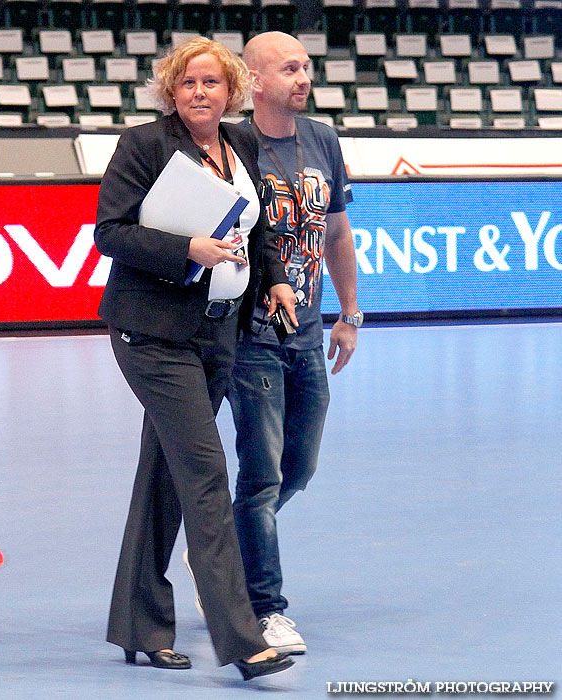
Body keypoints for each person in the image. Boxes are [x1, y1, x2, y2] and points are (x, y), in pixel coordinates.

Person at [95, 37, 295, 681]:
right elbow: (111, 232)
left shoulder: (244, 145)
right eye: (187, 84)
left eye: (211, 82)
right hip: (151, 335)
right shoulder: (145, 146)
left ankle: (139, 626)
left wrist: (275, 278)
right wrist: (189, 248)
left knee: (162, 478)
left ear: (231, 90)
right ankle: (242, 639)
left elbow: (256, 227)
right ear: (171, 92)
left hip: (216, 334)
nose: (199, 93)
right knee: (207, 475)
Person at [227, 31, 361, 654]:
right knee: (259, 474)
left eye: (306, 67)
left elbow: (336, 231)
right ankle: (263, 605)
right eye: (289, 69)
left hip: (306, 330)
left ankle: (226, 554)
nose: (304, 78)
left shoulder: (324, 140)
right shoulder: (234, 144)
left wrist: (348, 314)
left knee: (298, 466)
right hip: (250, 335)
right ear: (253, 80)